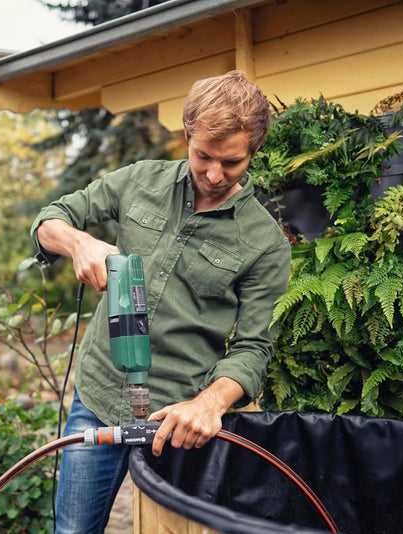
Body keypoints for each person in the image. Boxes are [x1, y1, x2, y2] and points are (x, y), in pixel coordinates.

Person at [30, 70, 292, 533]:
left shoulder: (266, 243)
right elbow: (51, 219)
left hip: (178, 420)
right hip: (98, 394)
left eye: (231, 163)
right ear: (187, 136)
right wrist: (80, 244)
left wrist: (210, 404)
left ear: (254, 149)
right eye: (203, 156)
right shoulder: (140, 180)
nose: (214, 174)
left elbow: (254, 348)